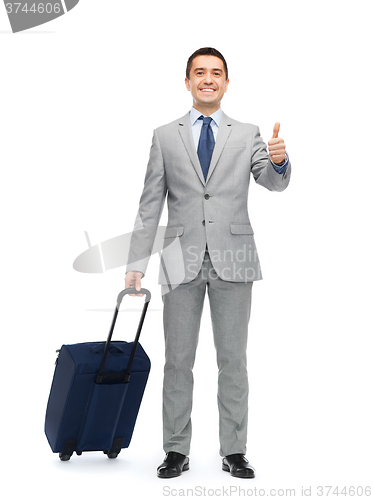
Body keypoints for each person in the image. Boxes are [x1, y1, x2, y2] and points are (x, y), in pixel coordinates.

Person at [125, 47, 291, 479]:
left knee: (233, 360)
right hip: (180, 261)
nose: (208, 79)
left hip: (234, 259)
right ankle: (175, 449)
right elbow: (149, 206)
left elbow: (272, 183)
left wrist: (278, 161)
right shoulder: (165, 135)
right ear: (187, 82)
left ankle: (234, 450)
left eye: (216, 73)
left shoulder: (249, 132)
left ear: (226, 82)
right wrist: (135, 263)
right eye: (199, 72)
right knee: (178, 361)